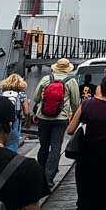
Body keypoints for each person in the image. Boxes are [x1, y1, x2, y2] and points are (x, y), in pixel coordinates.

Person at [67, 72, 106, 210]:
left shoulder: (87, 104)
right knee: (105, 202)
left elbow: (70, 130)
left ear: (101, 88)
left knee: (83, 202)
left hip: (86, 158)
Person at [33, 57, 81, 185]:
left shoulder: (45, 79)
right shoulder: (71, 81)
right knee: (56, 147)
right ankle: (49, 177)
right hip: (61, 119)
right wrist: (75, 118)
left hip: (43, 117)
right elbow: (76, 103)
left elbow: (36, 98)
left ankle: (39, 173)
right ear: (68, 69)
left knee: (43, 146)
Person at [0, 74, 32, 152]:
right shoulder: (21, 94)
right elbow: (26, 112)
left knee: (0, 144)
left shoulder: (0, 93)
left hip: (0, 122)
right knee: (12, 144)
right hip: (15, 121)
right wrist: (28, 122)